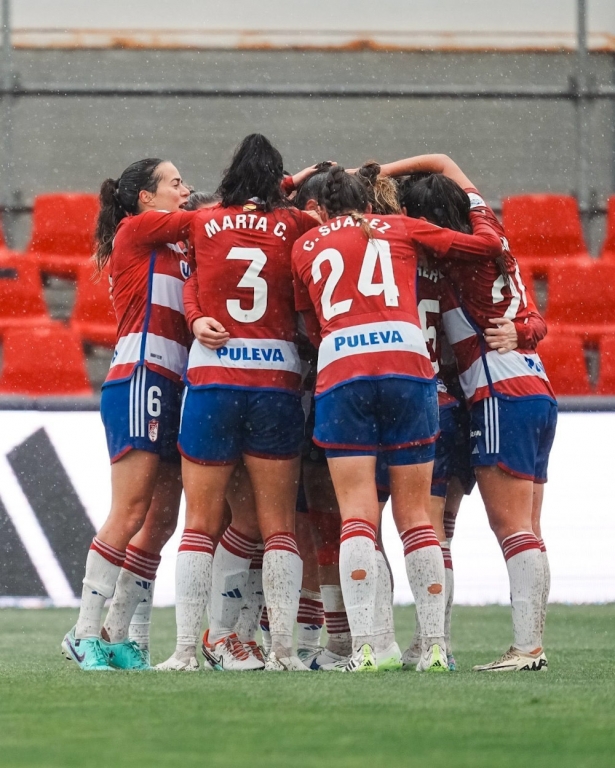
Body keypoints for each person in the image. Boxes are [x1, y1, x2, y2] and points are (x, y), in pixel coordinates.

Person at [292, 165, 503, 672]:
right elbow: (486, 248)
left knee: (358, 514)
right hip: (411, 366)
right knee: (415, 516)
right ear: (372, 200)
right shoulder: (404, 228)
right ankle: (433, 646)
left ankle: (370, 646)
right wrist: (475, 200)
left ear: (320, 206)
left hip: (343, 367)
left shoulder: (305, 246)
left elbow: (310, 324)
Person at [158, 134, 319, 672]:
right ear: (278, 182)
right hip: (274, 382)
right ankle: (284, 653)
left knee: (199, 524)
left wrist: (195, 312)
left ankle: (184, 651)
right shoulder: (296, 226)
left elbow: (193, 277)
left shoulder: (203, 221)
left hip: (212, 381)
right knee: (278, 527)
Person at [397, 154, 554, 672]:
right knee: (526, 528)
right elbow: (534, 319)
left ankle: (521, 648)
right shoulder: (493, 231)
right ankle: (526, 644)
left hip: (495, 395)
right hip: (537, 390)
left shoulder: (452, 263)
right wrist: (526, 331)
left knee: (505, 529)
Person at [61, 158, 195, 671]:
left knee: (159, 521)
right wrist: (266, 194)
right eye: (175, 182)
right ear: (145, 196)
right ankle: (83, 631)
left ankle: (116, 634)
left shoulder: (175, 239)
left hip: (172, 380)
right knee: (131, 510)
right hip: (142, 375)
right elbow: (211, 219)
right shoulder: (137, 229)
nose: (185, 189)